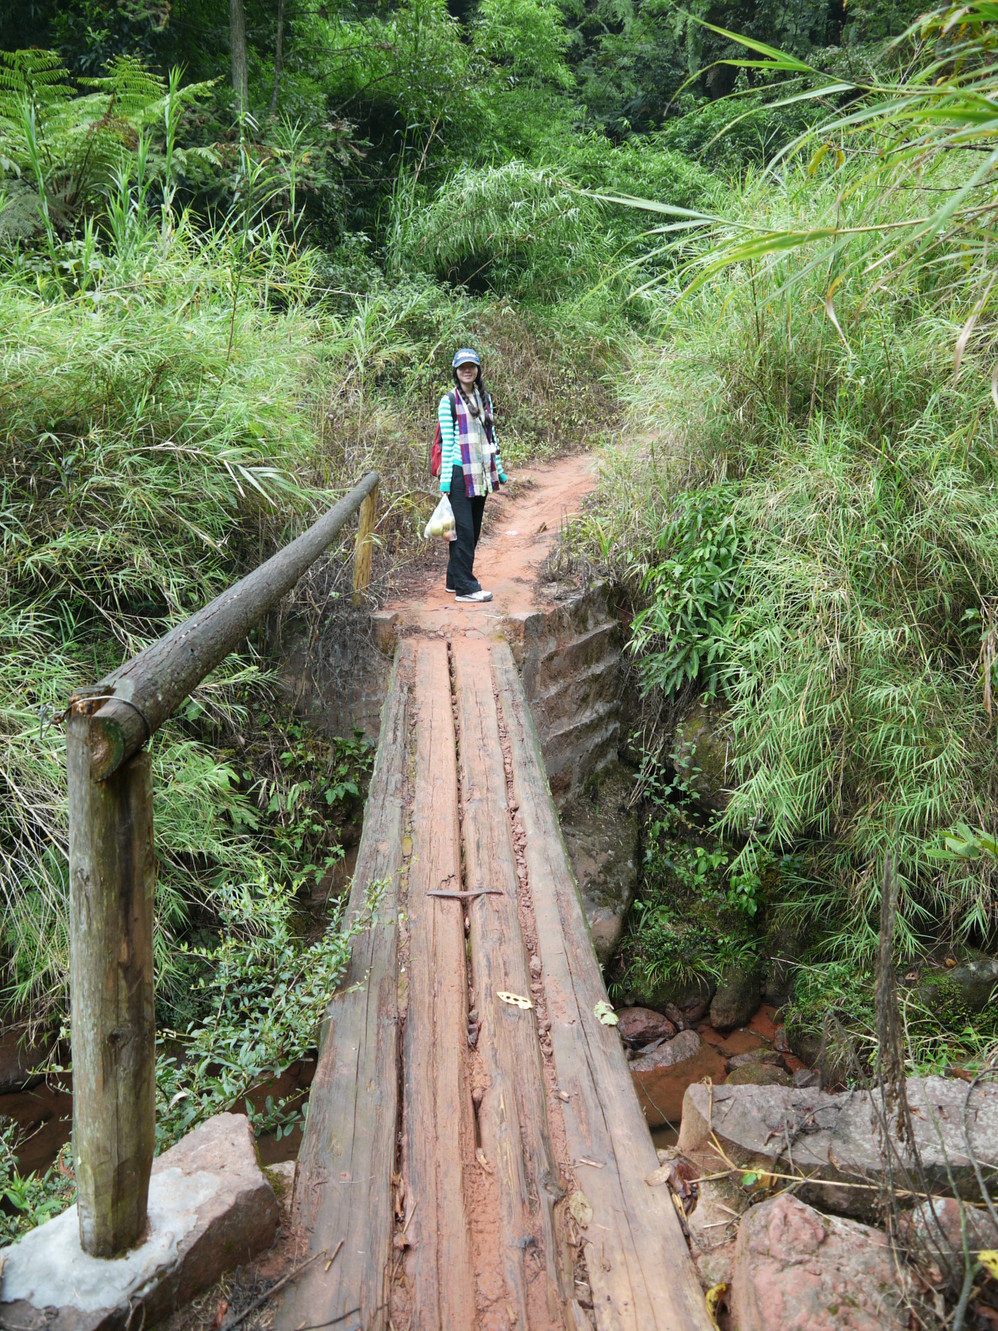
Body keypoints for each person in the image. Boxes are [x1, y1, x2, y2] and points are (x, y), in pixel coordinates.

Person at [438, 347, 507, 603]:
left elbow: (491, 436)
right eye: (462, 366)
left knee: (472, 530)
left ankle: (453, 579)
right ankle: (466, 588)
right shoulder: (449, 401)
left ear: (477, 370)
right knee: (464, 531)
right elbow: (447, 444)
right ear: (456, 371)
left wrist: (499, 469)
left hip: (481, 472)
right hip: (459, 472)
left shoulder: (484, 398)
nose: (467, 370)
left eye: (471, 366)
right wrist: (446, 481)